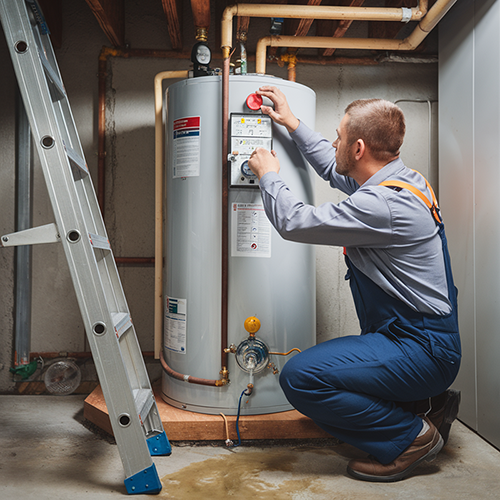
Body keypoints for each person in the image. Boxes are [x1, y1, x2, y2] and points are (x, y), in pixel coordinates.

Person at [248, 86, 461, 482]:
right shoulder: (401, 182)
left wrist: (269, 176)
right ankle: (423, 405)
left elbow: (294, 222)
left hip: (421, 347)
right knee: (337, 370)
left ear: (359, 148)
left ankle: (412, 436)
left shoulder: (382, 205)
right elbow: (334, 167)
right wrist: (292, 123)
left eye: (340, 137)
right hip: (420, 339)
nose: (335, 143)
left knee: (301, 377)